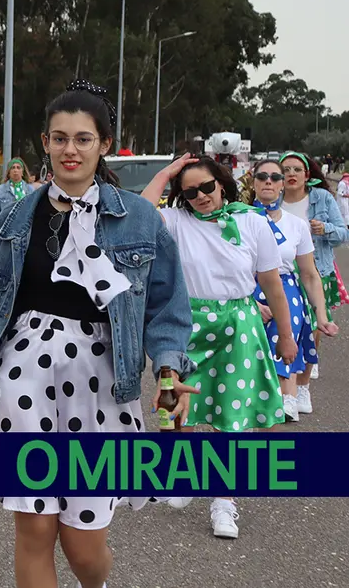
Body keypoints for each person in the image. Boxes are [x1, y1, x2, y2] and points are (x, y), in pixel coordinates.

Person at [0, 80, 197, 588]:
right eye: (59, 138)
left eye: (83, 139)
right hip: (20, 381)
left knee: (84, 547)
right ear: (44, 142)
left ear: (104, 144)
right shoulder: (18, 214)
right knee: (34, 530)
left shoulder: (140, 218)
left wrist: (168, 373)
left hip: (102, 382)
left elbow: (167, 306)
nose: (70, 149)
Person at [141, 153, 295, 540]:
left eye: (207, 187)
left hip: (238, 325)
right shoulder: (175, 221)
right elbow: (141, 212)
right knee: (176, 407)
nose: (201, 196)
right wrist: (166, 173)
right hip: (187, 322)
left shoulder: (251, 221)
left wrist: (287, 334)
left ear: (222, 183)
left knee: (233, 417)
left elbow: (272, 283)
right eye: (190, 191)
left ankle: (224, 502)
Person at [246, 160, 337, 421]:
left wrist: (322, 316)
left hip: (285, 286)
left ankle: (286, 397)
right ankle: (263, 398)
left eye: (275, 177)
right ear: (253, 181)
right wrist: (251, 302)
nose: (269, 181)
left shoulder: (297, 225)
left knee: (286, 325)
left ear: (282, 184)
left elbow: (309, 275)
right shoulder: (239, 218)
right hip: (247, 288)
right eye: (262, 176)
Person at [278, 151, 346, 401]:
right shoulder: (273, 198)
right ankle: (288, 387)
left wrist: (325, 228)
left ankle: (303, 384)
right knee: (283, 327)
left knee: (314, 328)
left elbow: (343, 234)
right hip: (282, 274)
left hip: (316, 271)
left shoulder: (322, 198)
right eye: (285, 170)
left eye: (297, 170)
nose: (291, 174)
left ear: (307, 175)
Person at [0, 158, 36, 228]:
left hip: (23, 231)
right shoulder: (1, 189)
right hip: (5, 231)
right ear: (9, 172)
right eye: (13, 168)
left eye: (18, 168)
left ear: (22, 172)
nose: (15, 170)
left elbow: (34, 213)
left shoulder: (30, 189)